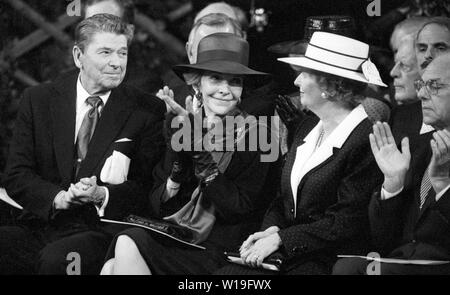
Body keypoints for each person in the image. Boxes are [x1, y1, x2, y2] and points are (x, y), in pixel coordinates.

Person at [0, 14, 165, 274]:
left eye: (122, 53)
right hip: (44, 220)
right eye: (106, 52)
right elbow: (17, 174)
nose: (116, 63)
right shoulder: (38, 100)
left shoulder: (146, 110)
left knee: (60, 260)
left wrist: (103, 194)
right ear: (79, 56)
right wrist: (58, 198)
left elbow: (148, 188)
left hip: (100, 229)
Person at [100, 32, 276, 275]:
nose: (225, 90)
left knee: (126, 245)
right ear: (197, 84)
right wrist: (179, 150)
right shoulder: (185, 125)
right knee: (111, 266)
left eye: (234, 81)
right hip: (178, 234)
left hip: (222, 247)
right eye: (215, 79)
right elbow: (159, 203)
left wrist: (201, 155)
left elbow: (240, 209)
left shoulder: (261, 134)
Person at [216, 32, 385, 275]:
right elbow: (281, 198)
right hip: (292, 254)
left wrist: (282, 240)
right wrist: (271, 230)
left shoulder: (364, 138)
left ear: (329, 85)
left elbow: (347, 220)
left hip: (330, 261)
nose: (296, 82)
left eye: (305, 74)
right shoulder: (306, 126)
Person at [333, 53, 450, 275]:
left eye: (434, 86)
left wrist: (443, 185)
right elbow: (383, 239)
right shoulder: (424, 144)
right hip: (403, 261)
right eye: (421, 84)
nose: (422, 94)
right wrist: (393, 184)